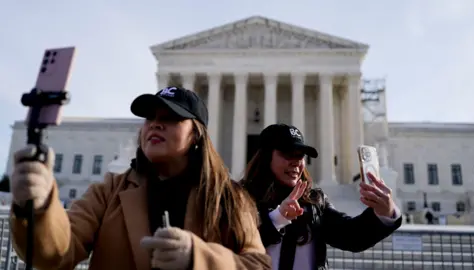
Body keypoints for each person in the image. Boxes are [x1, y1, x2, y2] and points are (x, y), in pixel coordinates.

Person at [10, 86, 271, 270]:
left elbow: (258, 265)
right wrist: (38, 207)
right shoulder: (110, 191)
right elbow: (56, 254)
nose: (155, 124)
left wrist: (198, 258)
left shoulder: (228, 199)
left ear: (196, 136)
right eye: (151, 118)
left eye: (170, 119)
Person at [240, 124, 402, 270]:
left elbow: (351, 236)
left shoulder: (314, 201)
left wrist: (384, 213)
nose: (296, 162)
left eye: (300, 155)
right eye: (288, 153)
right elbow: (232, 243)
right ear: (266, 156)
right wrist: (277, 219)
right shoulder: (242, 198)